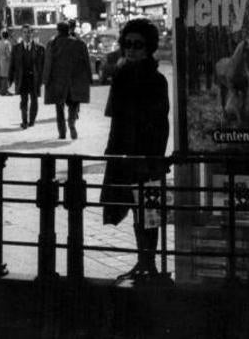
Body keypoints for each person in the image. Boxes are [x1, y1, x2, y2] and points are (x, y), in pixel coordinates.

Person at [100, 18, 170, 284]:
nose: (131, 50)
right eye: (127, 44)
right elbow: (115, 120)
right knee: (131, 208)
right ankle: (142, 262)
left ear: (148, 47)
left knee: (148, 215)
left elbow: (160, 124)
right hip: (123, 156)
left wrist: (152, 158)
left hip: (146, 159)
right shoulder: (121, 77)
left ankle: (148, 263)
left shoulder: (157, 80)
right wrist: (111, 152)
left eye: (137, 45)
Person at [42, 21, 91, 140]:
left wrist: (45, 80)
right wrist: (88, 78)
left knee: (59, 108)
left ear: (58, 30)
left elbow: (48, 63)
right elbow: (86, 62)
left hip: (57, 82)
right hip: (74, 81)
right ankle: (72, 122)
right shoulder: (79, 43)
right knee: (73, 104)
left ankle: (62, 133)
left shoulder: (52, 44)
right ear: (69, 30)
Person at [9, 24, 44, 129]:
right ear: (22, 34)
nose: (27, 35)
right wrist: (10, 80)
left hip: (34, 79)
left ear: (32, 34)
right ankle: (24, 121)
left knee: (34, 100)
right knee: (23, 100)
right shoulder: (16, 49)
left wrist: (43, 79)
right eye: (25, 32)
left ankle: (32, 121)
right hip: (22, 78)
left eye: (29, 32)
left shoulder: (40, 48)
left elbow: (43, 65)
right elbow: (12, 65)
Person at [0, 29, 12, 96]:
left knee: (0, 76)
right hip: (5, 61)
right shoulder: (7, 43)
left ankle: (0, 90)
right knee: (5, 76)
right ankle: (4, 90)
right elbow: (8, 53)